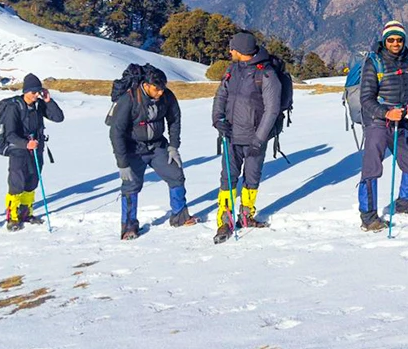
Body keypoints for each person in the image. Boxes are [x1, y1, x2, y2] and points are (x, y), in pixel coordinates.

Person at [357, 21, 408, 232]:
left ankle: (404, 202)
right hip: (377, 123)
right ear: (384, 40)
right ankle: (368, 215)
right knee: (372, 168)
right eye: (391, 39)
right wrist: (386, 113)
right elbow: (366, 99)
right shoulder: (374, 63)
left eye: (399, 40)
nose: (395, 43)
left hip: (403, 121)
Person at [108, 64, 197, 240]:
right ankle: (128, 226)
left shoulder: (166, 96)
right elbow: (116, 132)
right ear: (146, 85)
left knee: (176, 175)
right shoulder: (129, 99)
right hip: (134, 148)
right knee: (131, 185)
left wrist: (173, 146)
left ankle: (180, 216)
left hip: (158, 146)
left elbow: (174, 120)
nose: (160, 92)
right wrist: (122, 163)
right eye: (157, 89)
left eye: (163, 88)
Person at [211, 32, 282, 244]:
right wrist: (217, 120)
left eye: (232, 48)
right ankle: (225, 219)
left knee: (252, 178)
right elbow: (220, 95)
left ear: (241, 51)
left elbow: (272, 110)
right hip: (231, 135)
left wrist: (259, 139)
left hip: (254, 138)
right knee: (228, 178)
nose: (229, 51)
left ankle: (246, 214)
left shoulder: (266, 75)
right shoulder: (232, 69)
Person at [0, 74, 64, 231]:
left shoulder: (38, 105)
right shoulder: (15, 107)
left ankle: (26, 213)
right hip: (18, 150)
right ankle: (12, 217)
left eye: (38, 91)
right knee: (16, 184)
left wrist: (48, 100)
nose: (35, 95)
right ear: (25, 91)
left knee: (32, 181)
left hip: (36, 149)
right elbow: (10, 134)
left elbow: (59, 117)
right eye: (33, 92)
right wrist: (26, 143)